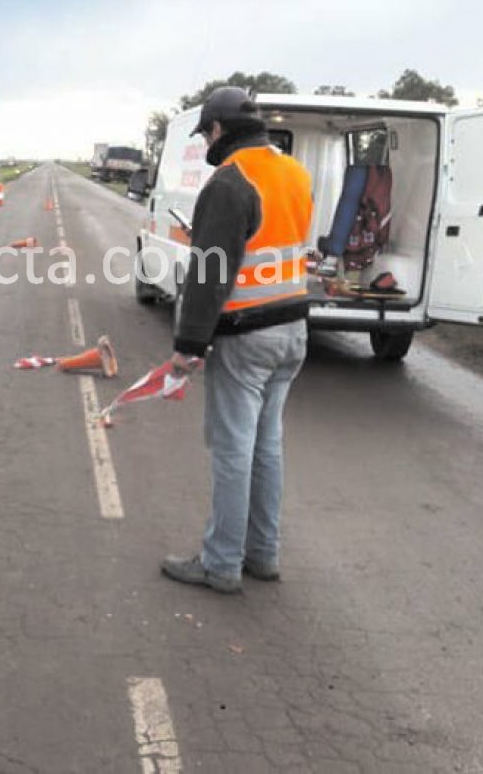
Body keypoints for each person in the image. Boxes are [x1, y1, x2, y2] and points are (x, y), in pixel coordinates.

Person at [160, 86, 313, 594]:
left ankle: (221, 563)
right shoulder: (294, 172)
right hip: (293, 331)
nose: (206, 141)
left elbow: (209, 275)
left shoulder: (229, 183)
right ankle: (262, 554)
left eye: (206, 132)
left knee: (233, 449)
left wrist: (188, 346)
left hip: (247, 336)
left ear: (219, 130)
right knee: (267, 446)